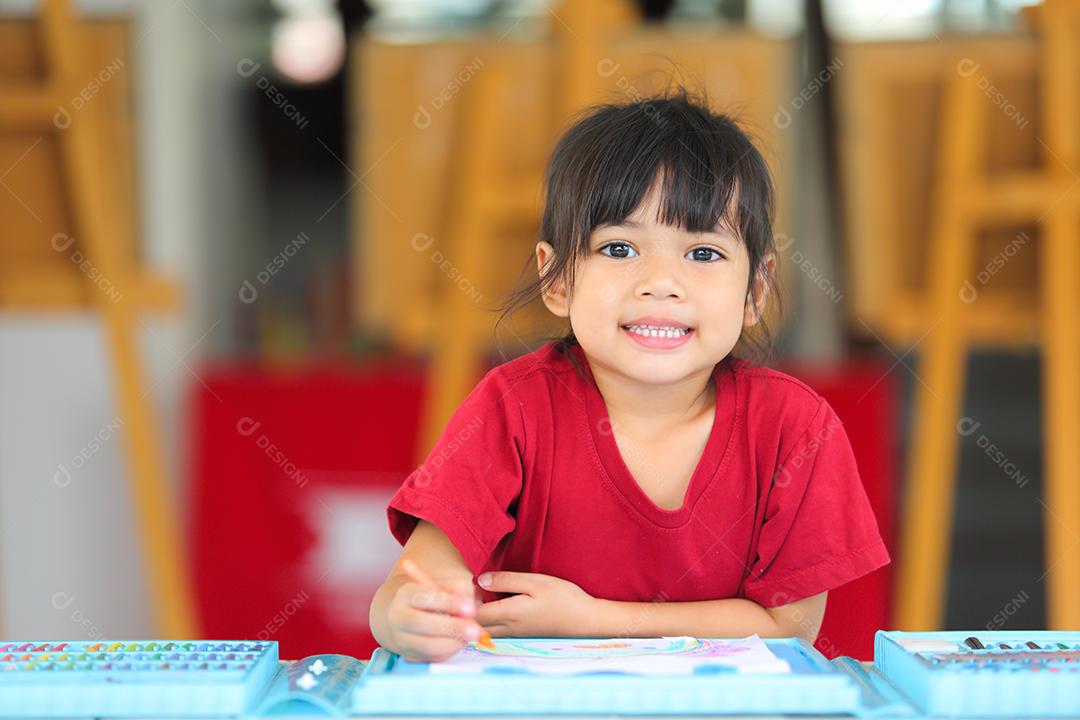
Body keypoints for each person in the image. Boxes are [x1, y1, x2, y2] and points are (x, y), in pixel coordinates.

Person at [369, 90, 890, 662]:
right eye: (619, 248)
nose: (661, 282)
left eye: (704, 253)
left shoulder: (797, 426)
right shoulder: (511, 407)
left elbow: (788, 626)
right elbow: (411, 582)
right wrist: (405, 615)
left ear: (755, 291)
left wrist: (593, 621)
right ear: (559, 279)